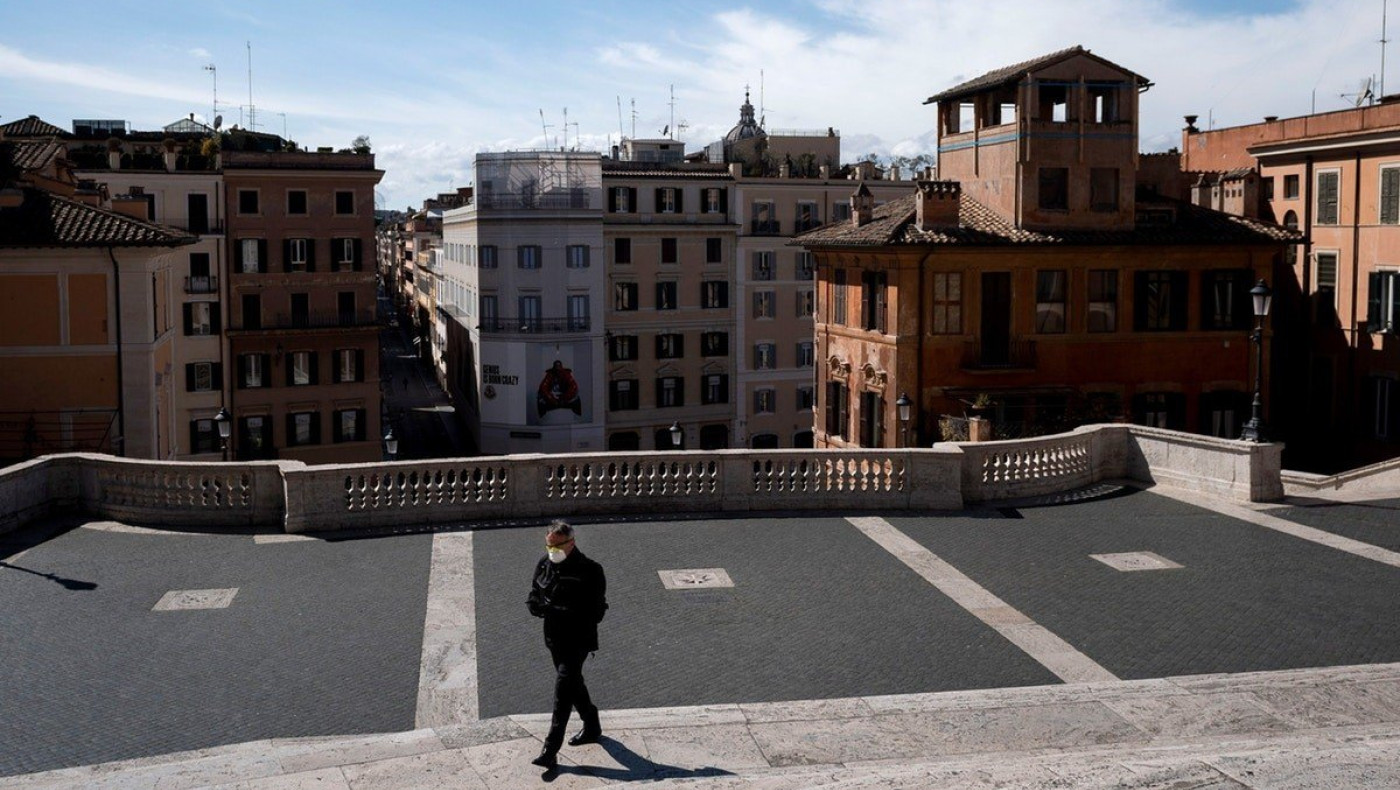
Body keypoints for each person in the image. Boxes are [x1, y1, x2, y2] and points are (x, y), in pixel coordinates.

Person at [527, 520, 607, 770]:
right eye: (549, 545)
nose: (552, 551)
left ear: (571, 543)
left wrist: (561, 611)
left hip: (578, 639)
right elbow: (533, 593)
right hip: (553, 638)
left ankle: (550, 748)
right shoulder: (544, 564)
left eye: (557, 546)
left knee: (563, 689)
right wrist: (535, 606)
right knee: (573, 683)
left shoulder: (591, 570)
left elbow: (596, 612)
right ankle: (592, 724)